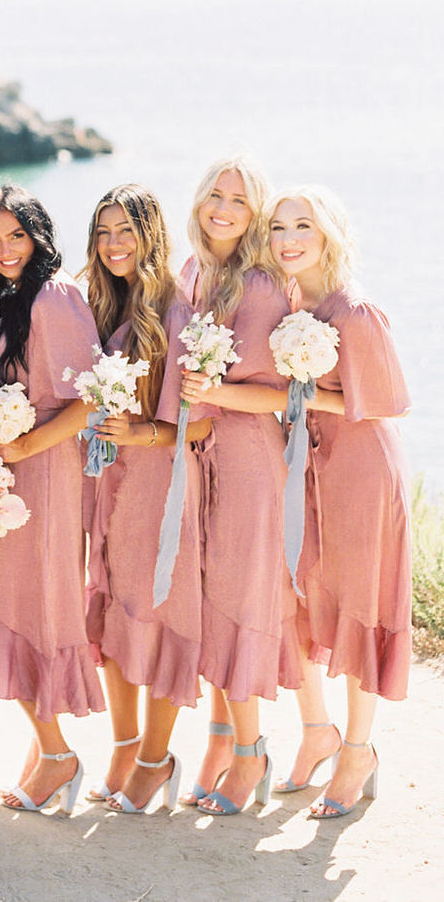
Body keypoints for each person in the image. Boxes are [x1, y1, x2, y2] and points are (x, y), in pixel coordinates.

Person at [266, 187, 410, 819]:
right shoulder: (288, 303)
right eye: (278, 227)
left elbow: (385, 401)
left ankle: (358, 750)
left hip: (359, 473)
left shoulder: (354, 311)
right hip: (304, 468)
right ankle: (316, 728)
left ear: (327, 234)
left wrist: (298, 397)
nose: (289, 238)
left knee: (357, 604)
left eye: (303, 225)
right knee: (293, 594)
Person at [174, 157, 301, 815]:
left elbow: (281, 390)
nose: (223, 208)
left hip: (250, 459)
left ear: (255, 216)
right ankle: (223, 740)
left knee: (236, 600)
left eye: (240, 201)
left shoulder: (260, 285)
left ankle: (252, 752)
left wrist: (213, 391)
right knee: (207, 600)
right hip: (199, 456)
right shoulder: (195, 272)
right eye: (215, 195)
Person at [0, 184, 104, 815]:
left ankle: (59, 754)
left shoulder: (56, 296)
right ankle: (45, 748)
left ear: (38, 234)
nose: (3, 250)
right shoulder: (10, 299)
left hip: (46, 474)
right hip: (11, 474)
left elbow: (89, 398)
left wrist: (27, 449)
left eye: (15, 236)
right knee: (11, 601)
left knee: (38, 606)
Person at [82, 186, 212, 814]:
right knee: (112, 617)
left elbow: (203, 423)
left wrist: (140, 432)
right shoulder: (103, 305)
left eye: (126, 230)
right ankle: (124, 745)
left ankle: (157, 760)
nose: (113, 244)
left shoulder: (176, 314)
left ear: (151, 234)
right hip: (111, 486)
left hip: (160, 487)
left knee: (158, 616)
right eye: (104, 231)